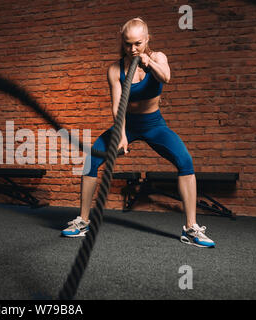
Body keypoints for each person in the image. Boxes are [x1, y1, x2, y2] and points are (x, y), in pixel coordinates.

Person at [61, 17, 215, 248]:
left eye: (138, 44)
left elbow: (166, 77)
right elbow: (116, 106)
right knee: (90, 160)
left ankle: (191, 228)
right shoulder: (115, 69)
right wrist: (121, 133)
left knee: (185, 161)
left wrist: (148, 62)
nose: (132, 49)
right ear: (122, 42)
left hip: (154, 125)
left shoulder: (158, 57)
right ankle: (83, 221)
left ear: (147, 40)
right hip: (127, 124)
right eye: (127, 44)